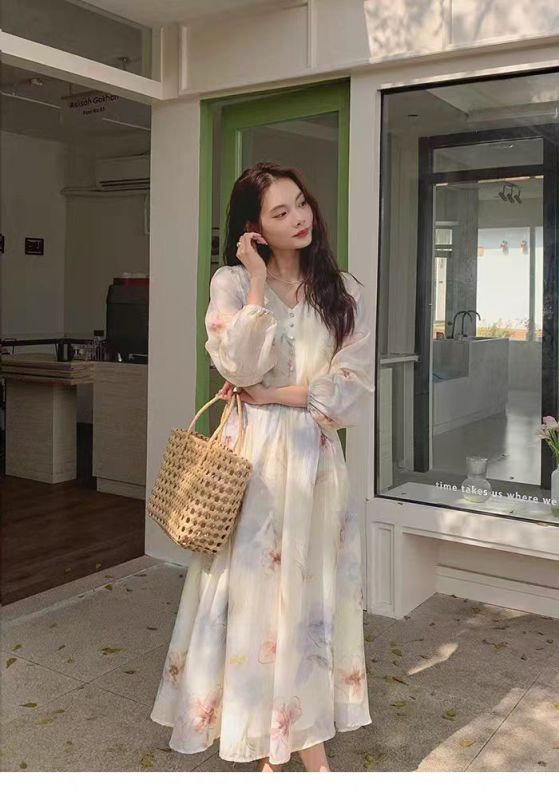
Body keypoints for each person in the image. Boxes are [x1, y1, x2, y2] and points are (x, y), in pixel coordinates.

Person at [150, 161, 375, 772]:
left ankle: (285, 749)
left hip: (314, 463)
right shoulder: (231, 283)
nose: (299, 218)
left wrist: (276, 395)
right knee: (255, 601)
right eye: (280, 212)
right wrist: (255, 281)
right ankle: (295, 752)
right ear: (254, 228)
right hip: (251, 464)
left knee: (308, 599)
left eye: (300, 202)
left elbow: (351, 387)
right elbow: (239, 367)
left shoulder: (343, 290)